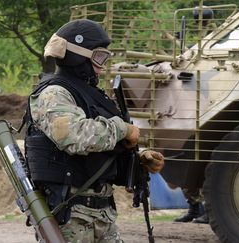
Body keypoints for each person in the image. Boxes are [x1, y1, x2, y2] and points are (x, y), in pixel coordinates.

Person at [24, 19, 164, 242]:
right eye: (99, 57)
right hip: (71, 216)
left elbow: (103, 145)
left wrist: (138, 158)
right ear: (77, 56)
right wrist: (123, 129)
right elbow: (74, 136)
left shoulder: (90, 94)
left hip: (103, 215)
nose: (102, 65)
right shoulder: (53, 93)